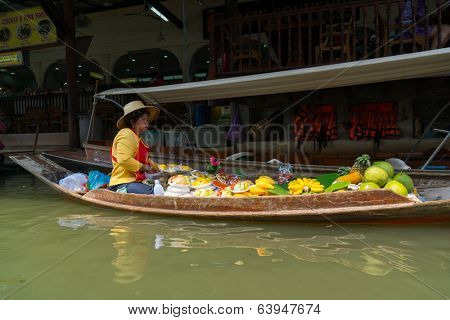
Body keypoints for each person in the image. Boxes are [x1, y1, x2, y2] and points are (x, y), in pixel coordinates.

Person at [108, 100, 160, 194]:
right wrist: (145, 167)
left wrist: (158, 168)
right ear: (132, 121)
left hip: (136, 181)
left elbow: (145, 159)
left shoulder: (137, 137)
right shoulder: (126, 134)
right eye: (143, 120)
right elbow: (123, 159)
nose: (147, 123)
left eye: (147, 120)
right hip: (122, 183)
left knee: (162, 186)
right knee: (153, 192)